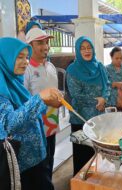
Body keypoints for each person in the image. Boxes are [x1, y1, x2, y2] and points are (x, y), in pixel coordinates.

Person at [0, 37, 62, 190]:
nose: (25, 62)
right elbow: (9, 123)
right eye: (19, 57)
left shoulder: (15, 83)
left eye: (26, 57)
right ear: (5, 58)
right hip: (23, 164)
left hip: (37, 156)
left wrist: (46, 101)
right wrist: (40, 98)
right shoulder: (1, 91)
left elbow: (27, 110)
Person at [66, 36, 110, 175]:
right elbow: (75, 95)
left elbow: (107, 85)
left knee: (97, 152)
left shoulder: (100, 67)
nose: (86, 51)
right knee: (82, 155)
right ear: (78, 51)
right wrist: (97, 101)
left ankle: (95, 182)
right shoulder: (73, 69)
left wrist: (104, 98)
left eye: (89, 47)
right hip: (80, 118)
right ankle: (80, 183)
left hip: (99, 118)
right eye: (82, 48)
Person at [24, 28, 58, 190]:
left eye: (46, 42)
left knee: (50, 160)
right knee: (39, 168)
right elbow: (23, 102)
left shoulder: (51, 66)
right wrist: (49, 101)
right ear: (29, 46)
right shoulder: (26, 69)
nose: (45, 46)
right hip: (35, 127)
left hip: (51, 122)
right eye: (40, 43)